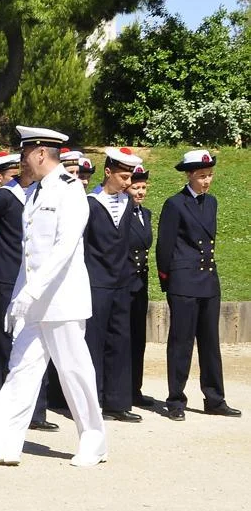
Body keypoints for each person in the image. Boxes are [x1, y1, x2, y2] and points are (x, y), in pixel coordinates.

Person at [0, 126, 107, 468]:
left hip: (62, 302)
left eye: (24, 154)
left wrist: (30, 291)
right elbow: (28, 255)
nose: (20, 161)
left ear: (41, 153)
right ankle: (3, 442)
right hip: (34, 304)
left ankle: (94, 441)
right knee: (21, 370)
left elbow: (63, 248)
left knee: (74, 371)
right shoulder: (33, 193)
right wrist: (18, 298)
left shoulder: (70, 191)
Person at [156, 150, 241, 421]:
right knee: (181, 343)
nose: (207, 181)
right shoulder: (175, 204)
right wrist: (167, 281)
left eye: (210, 175)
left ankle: (215, 398)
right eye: (202, 176)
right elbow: (165, 246)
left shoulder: (212, 202)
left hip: (208, 281)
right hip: (183, 281)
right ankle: (176, 401)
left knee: (210, 344)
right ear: (189, 175)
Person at [0, 152, 57, 432]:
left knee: (37, 341)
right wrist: (2, 262)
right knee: (3, 343)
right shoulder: (2, 198)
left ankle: (37, 411)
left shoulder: (42, 196)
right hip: (7, 279)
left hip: (35, 280)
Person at [84, 147, 143, 423]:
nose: (127, 182)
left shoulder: (128, 203)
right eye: (122, 176)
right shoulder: (90, 203)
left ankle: (118, 402)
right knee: (93, 342)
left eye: (130, 176)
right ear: (108, 172)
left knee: (120, 341)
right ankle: (91, 400)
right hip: (96, 282)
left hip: (121, 282)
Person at [127, 165, 155, 409]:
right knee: (121, 339)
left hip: (141, 283)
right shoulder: (121, 214)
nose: (140, 192)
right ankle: (118, 391)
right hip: (124, 283)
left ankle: (135, 389)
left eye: (144, 187)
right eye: (136, 187)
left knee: (138, 338)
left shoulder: (146, 214)